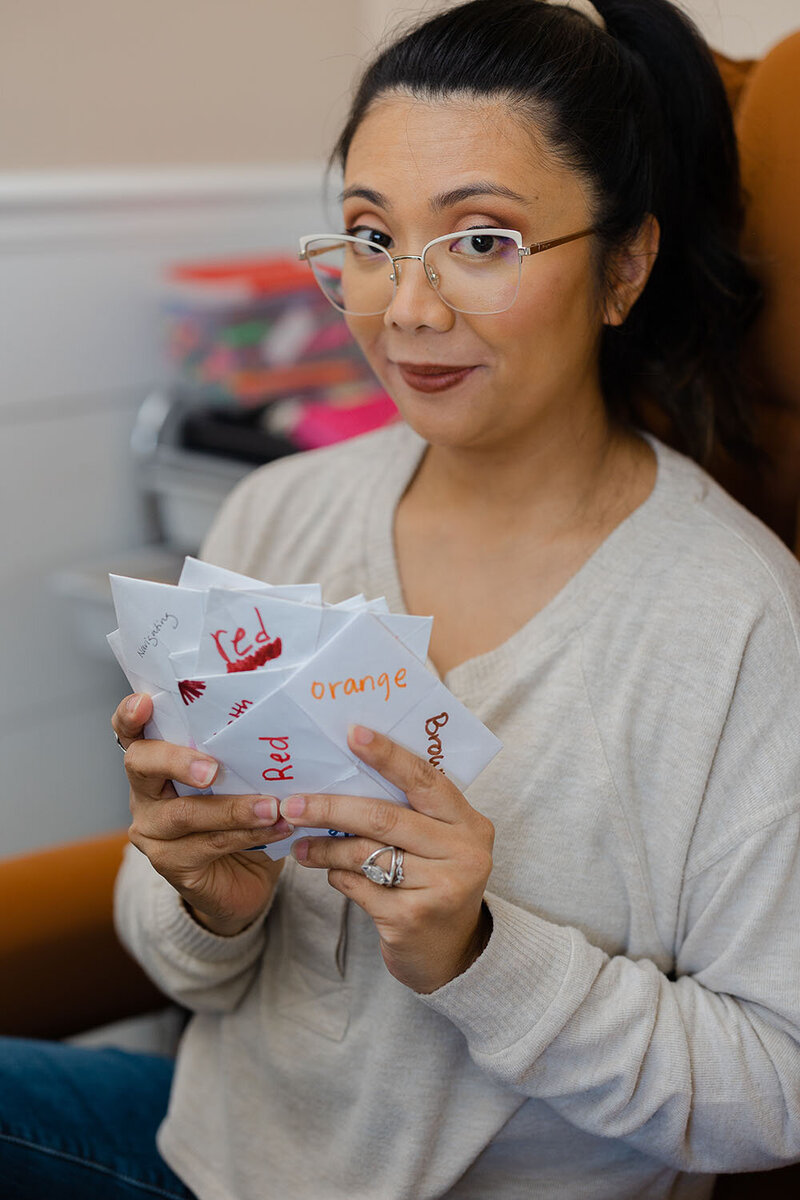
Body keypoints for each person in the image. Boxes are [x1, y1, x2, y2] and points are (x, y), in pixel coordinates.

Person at [2, 1, 799, 1197]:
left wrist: (478, 954)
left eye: (481, 241)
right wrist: (201, 900)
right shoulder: (280, 512)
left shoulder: (734, 626)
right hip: (209, 1160)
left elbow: (773, 1089)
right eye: (371, 238)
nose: (406, 309)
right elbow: (188, 975)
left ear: (623, 265)